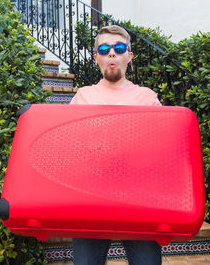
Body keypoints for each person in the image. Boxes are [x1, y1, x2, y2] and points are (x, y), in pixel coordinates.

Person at [69, 25, 162, 265]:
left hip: (139, 200)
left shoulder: (148, 98)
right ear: (96, 57)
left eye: (119, 48)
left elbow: (160, 149)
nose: (112, 53)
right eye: (104, 48)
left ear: (129, 56)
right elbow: (69, 147)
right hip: (90, 199)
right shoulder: (82, 96)